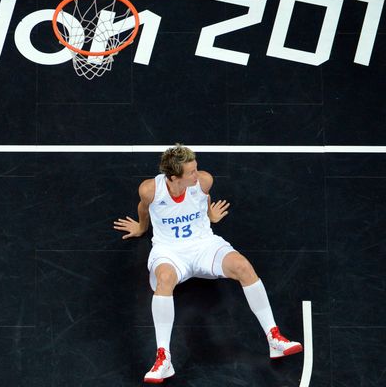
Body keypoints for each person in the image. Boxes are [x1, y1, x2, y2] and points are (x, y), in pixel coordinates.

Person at [113, 144, 303, 384]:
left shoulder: (203, 182)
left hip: (204, 245)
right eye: (191, 172)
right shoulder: (150, 190)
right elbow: (144, 208)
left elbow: (204, 199)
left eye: (196, 168)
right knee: (164, 281)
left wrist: (210, 217)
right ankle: (164, 359)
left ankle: (274, 338)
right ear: (173, 178)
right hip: (169, 251)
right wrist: (141, 227)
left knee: (244, 266)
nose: (197, 174)